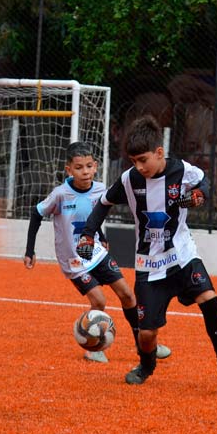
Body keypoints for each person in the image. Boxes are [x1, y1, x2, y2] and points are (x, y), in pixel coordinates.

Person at [76, 115, 217, 385]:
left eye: (143, 160)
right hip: (149, 266)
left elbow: (202, 183)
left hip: (184, 256)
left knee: (209, 299)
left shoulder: (181, 169)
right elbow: (103, 203)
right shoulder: (129, 179)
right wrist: (87, 234)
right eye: (133, 161)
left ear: (159, 152)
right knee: (147, 334)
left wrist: (199, 196)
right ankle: (145, 366)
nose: (138, 167)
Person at [23, 141, 171, 364]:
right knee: (99, 301)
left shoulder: (102, 189)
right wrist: (29, 250)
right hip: (74, 261)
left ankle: (144, 344)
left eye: (89, 166)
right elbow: (36, 214)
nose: (85, 172)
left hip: (97, 253)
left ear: (96, 166)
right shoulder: (60, 194)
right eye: (79, 167)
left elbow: (94, 216)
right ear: (69, 170)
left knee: (128, 295)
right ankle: (92, 347)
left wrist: (101, 237)